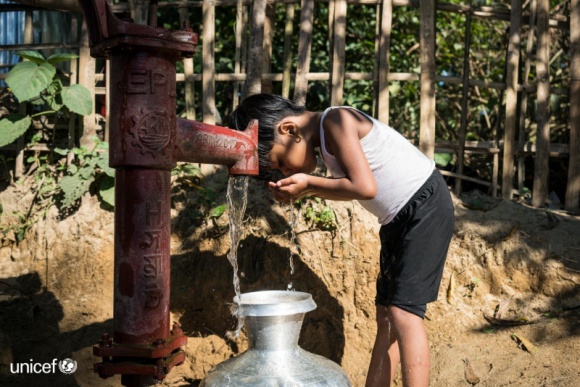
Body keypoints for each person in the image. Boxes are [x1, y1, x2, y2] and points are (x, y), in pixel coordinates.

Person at [229, 93, 454, 387]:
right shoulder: (325, 139)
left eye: (280, 162)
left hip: (425, 206)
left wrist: (309, 184)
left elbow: (364, 186)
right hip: (397, 219)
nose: (285, 170)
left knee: (404, 313)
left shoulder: (336, 120)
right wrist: (307, 188)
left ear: (288, 130)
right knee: (387, 317)